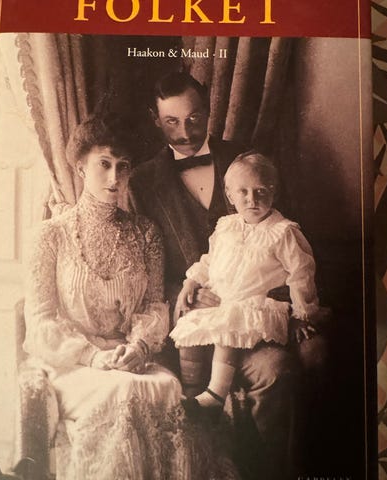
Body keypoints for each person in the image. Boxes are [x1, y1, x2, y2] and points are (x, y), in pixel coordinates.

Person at [23, 113, 226, 480]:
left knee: (164, 387)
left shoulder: (146, 234)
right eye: (104, 164)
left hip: (132, 360)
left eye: (123, 166)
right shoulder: (50, 236)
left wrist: (140, 348)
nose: (114, 178)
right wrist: (94, 356)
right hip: (74, 364)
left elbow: (154, 306)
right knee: (122, 394)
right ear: (81, 167)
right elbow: (41, 322)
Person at [129, 71, 303, 479]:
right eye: (171, 122)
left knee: (275, 370)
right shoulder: (142, 181)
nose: (184, 132)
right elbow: (145, 268)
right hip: (192, 323)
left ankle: (263, 473)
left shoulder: (248, 160)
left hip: (253, 318)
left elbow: (290, 244)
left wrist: (274, 298)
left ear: (209, 110)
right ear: (155, 120)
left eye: (193, 119)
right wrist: (185, 292)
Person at [170, 153, 323, 417]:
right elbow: (209, 260)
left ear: (273, 192)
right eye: (243, 191)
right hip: (222, 303)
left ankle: (215, 395)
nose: (252, 199)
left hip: (255, 308)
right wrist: (191, 282)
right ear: (230, 195)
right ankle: (191, 393)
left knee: (229, 326)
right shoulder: (226, 226)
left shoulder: (283, 232)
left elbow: (301, 273)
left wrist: (301, 314)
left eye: (260, 191)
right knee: (189, 329)